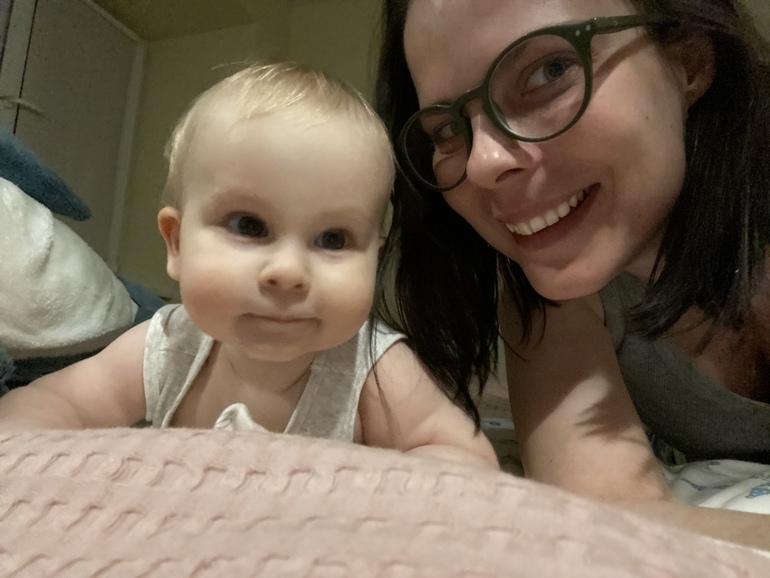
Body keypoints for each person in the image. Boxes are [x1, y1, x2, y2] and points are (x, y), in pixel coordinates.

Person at [375, 0, 770, 548]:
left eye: (549, 71)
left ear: (688, 62)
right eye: (446, 130)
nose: (482, 164)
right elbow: (609, 514)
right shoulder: (546, 292)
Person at [0, 62, 497, 470]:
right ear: (177, 243)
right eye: (249, 226)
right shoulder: (168, 345)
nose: (288, 271)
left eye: (333, 239)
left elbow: (462, 460)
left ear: (376, 258)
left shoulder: (371, 367)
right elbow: (55, 404)